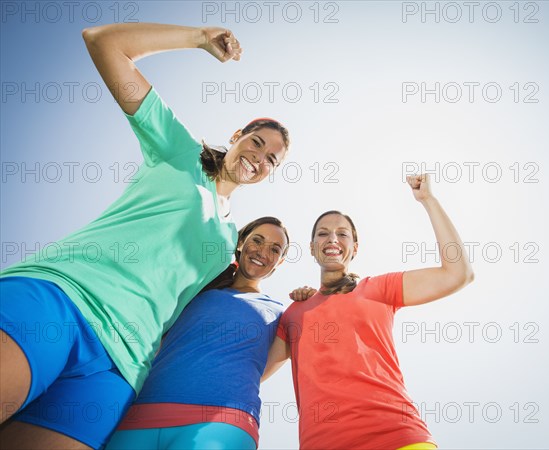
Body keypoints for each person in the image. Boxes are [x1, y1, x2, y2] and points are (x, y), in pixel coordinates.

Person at [0, 23, 289, 449]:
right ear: (236, 137)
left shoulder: (229, 241)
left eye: (272, 159)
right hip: (63, 302)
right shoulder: (180, 150)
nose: (259, 158)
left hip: (118, 370)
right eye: (256, 142)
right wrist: (199, 39)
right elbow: (104, 43)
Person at [265, 174, 475, 450]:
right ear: (313, 248)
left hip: (397, 435)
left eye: (342, 233)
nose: (333, 238)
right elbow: (252, 373)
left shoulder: (377, 289)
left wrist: (428, 200)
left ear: (355, 247)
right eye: (323, 233)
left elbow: (458, 274)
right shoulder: (294, 313)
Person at [105, 216, 289, 450]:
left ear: (280, 262)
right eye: (257, 241)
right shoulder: (198, 287)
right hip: (141, 413)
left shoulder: (279, 312)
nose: (263, 251)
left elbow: (262, 370)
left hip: (222, 421)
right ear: (241, 242)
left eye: (274, 249)